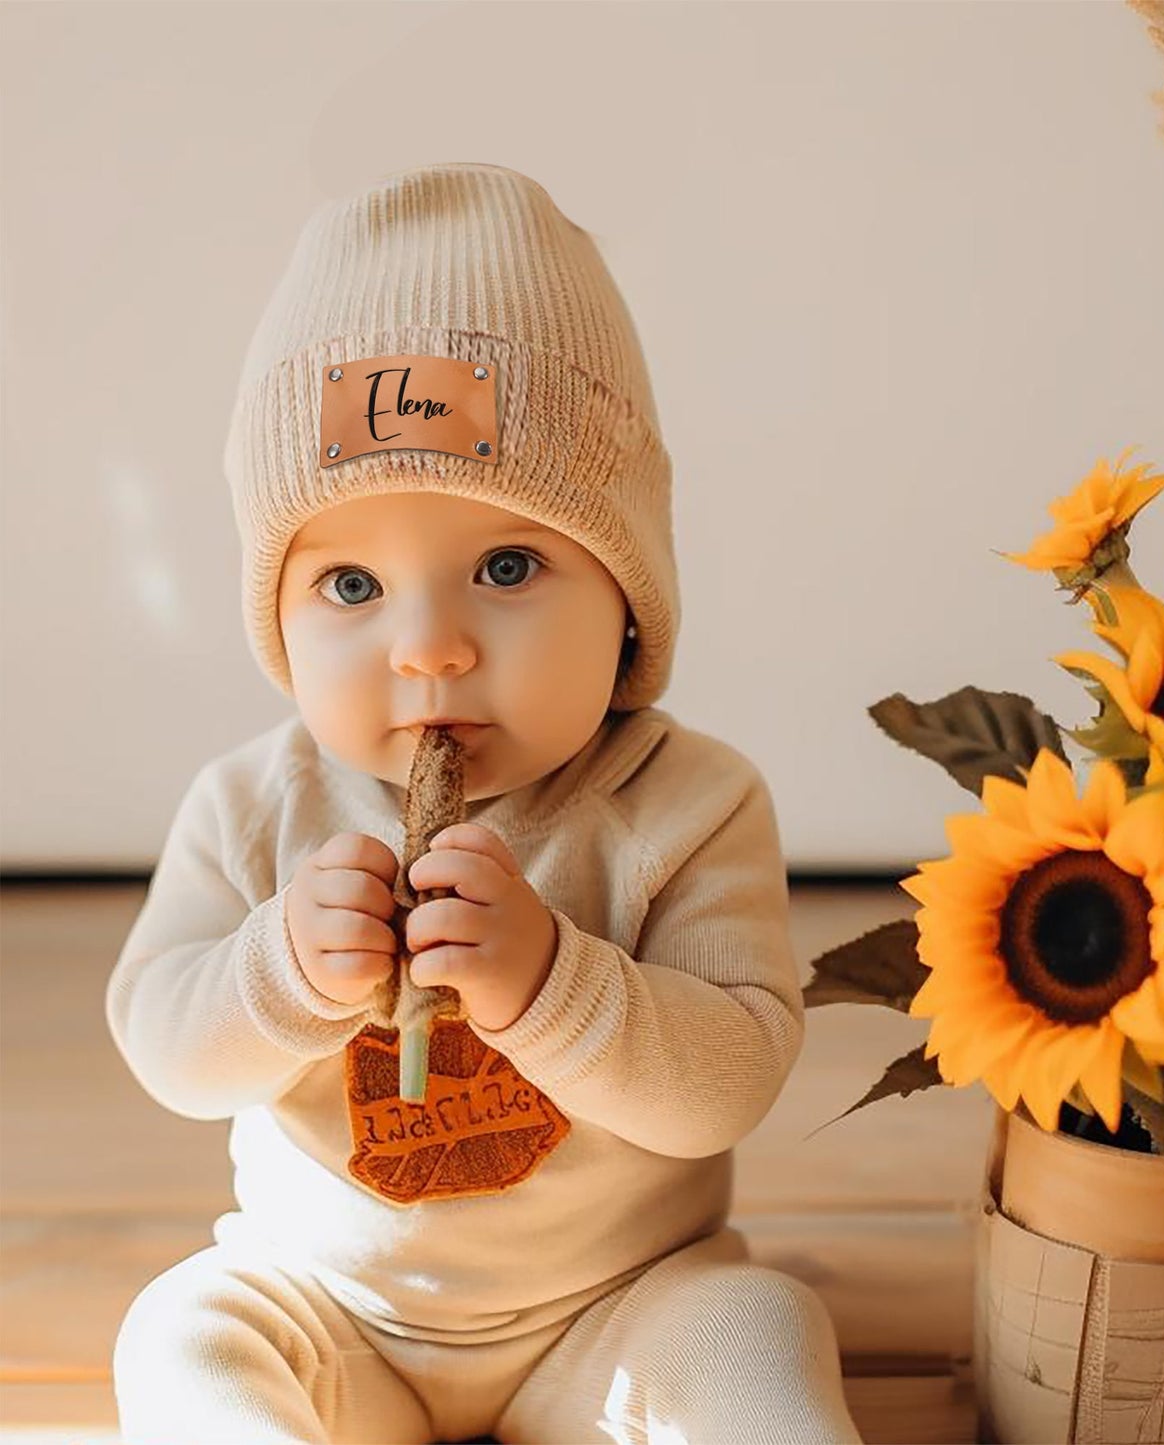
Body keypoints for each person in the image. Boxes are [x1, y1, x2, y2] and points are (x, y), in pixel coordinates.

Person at [106, 162, 863, 1445]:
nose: (429, 646)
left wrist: (549, 983)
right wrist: (275, 969)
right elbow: (165, 1043)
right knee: (179, 1332)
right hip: (327, 1305)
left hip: (619, 1305)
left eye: (505, 566)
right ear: (277, 618)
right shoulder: (253, 803)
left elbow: (728, 1079)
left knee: (756, 1326)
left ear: (629, 596)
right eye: (351, 586)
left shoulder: (687, 801)